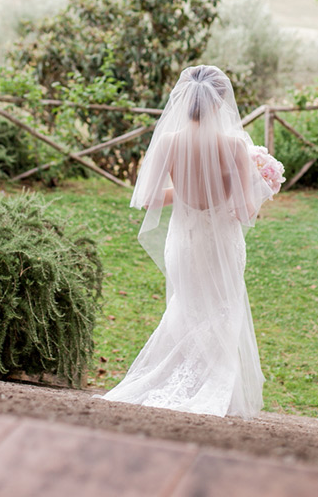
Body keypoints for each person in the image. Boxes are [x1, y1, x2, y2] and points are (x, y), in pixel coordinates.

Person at [101, 64, 273, 419]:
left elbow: (148, 199)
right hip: (220, 245)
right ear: (221, 102)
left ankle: (172, 380)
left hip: (183, 241)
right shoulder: (235, 148)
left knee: (186, 308)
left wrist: (182, 192)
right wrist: (263, 186)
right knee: (222, 312)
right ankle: (209, 391)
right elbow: (243, 213)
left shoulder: (168, 142)